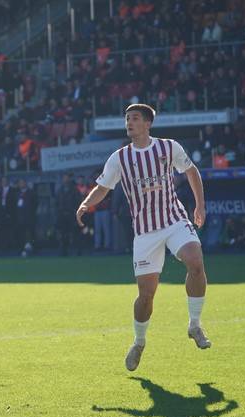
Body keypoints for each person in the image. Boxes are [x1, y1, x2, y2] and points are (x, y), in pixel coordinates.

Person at [76, 104, 211, 372]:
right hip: (145, 231)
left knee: (195, 260)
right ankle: (139, 342)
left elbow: (191, 171)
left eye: (135, 118)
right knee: (146, 295)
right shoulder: (119, 158)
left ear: (147, 123)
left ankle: (195, 325)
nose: (129, 122)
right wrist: (85, 204)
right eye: (127, 118)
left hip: (174, 220)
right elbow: (102, 188)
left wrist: (200, 205)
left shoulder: (168, 147)